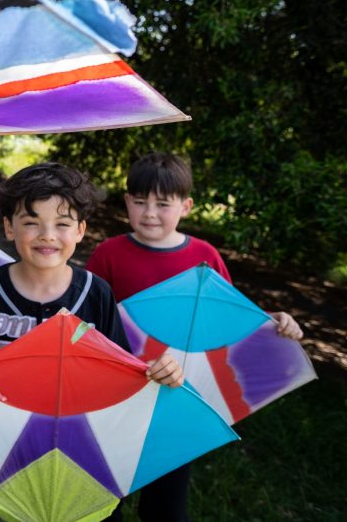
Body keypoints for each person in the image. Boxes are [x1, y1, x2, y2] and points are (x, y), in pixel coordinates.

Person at [0, 162, 186, 521]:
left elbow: (120, 375)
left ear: (81, 230)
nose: (47, 235)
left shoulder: (96, 293)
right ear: (8, 226)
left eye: (63, 223)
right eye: (31, 222)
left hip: (71, 451)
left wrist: (159, 373)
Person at [86, 152, 303, 522]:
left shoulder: (205, 257)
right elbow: (89, 320)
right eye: (139, 202)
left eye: (162, 204)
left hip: (178, 398)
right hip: (117, 395)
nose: (149, 213)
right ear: (127, 202)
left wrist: (275, 321)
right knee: (102, 500)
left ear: (185, 206)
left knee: (167, 507)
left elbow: (227, 321)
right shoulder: (109, 253)